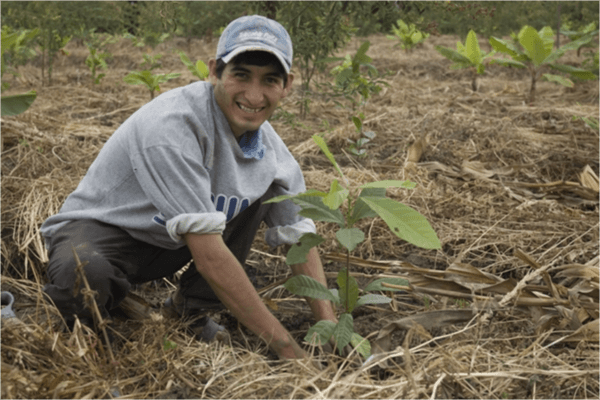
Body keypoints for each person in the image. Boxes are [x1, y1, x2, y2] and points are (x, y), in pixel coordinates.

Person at [40, 15, 337, 360]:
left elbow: (300, 239)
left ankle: (189, 313)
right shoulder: (172, 127)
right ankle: (84, 335)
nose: (254, 95)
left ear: (288, 85)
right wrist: (288, 349)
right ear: (214, 71)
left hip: (168, 242)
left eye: (270, 80)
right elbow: (210, 256)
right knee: (85, 278)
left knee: (256, 195)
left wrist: (329, 329)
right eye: (241, 75)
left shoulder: (272, 156)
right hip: (105, 232)